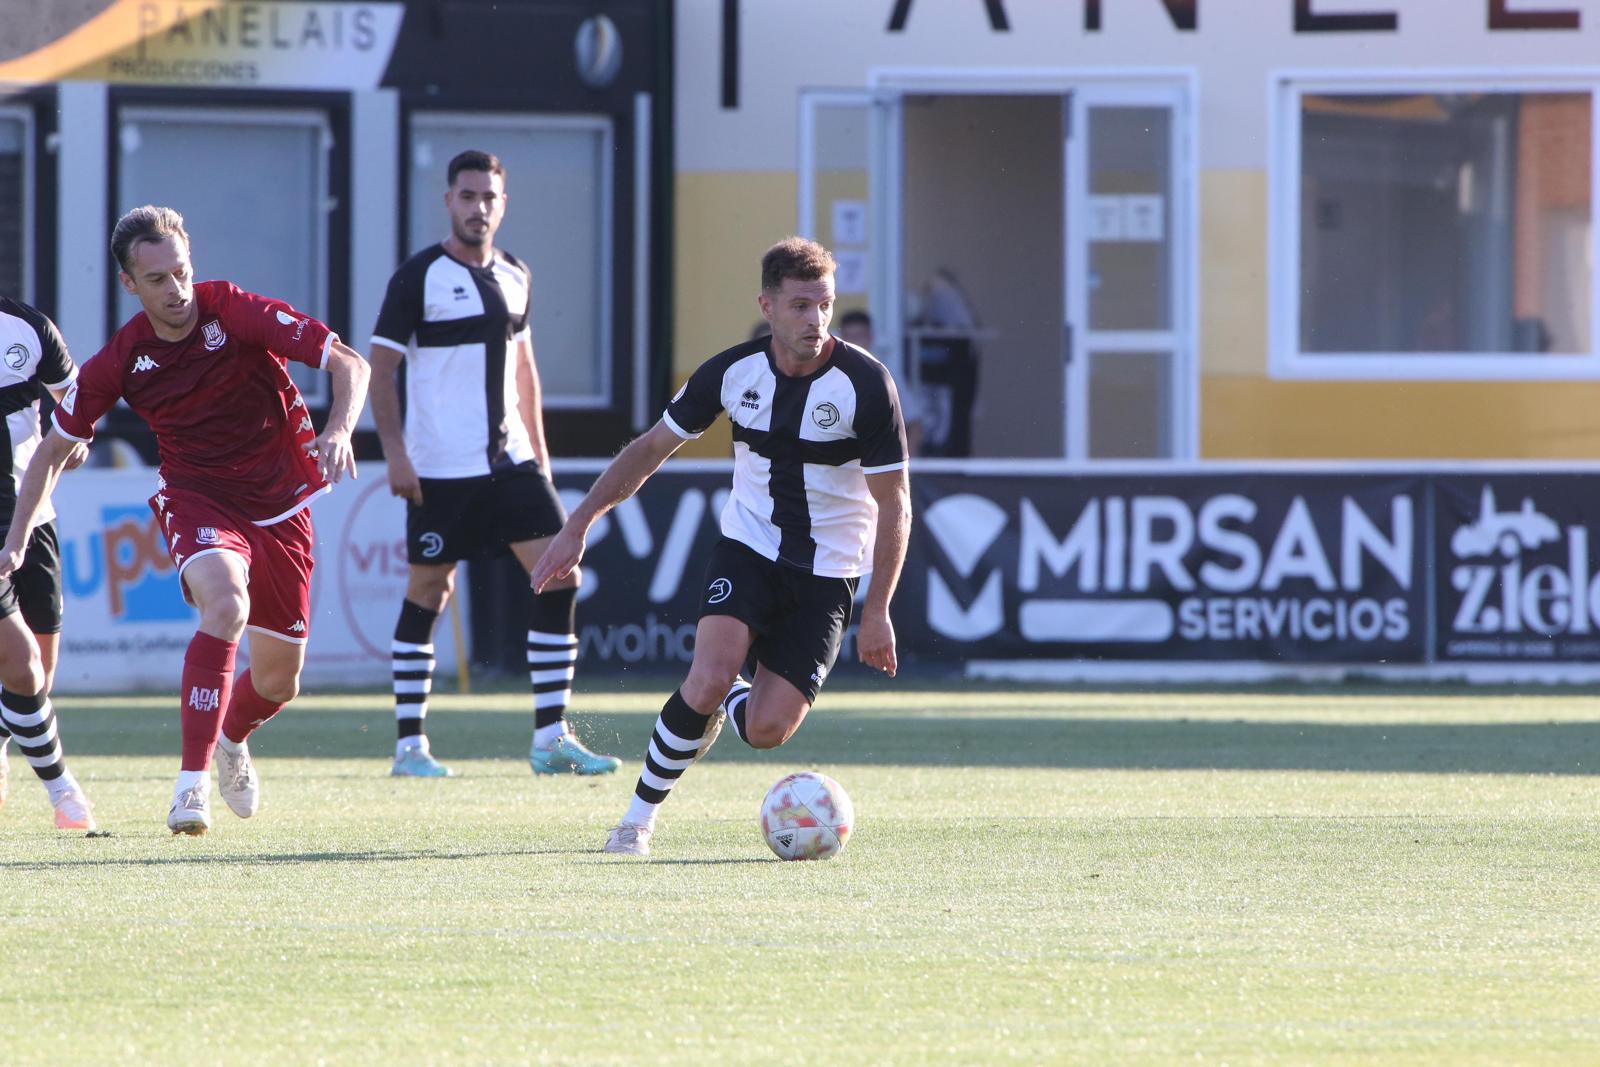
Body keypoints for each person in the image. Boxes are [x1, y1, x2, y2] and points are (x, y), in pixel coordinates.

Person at [532, 236, 912, 857]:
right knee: (703, 679)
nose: (815, 321)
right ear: (767, 305)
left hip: (829, 573)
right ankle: (636, 821)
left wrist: (878, 610)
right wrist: (578, 524)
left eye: (825, 305)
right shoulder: (732, 372)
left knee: (765, 731)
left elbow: (895, 503)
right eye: (799, 306)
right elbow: (650, 449)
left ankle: (736, 696)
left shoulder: (867, 385)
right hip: (749, 548)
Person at [0, 205, 370, 835]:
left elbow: (350, 363)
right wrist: (15, 540)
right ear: (129, 284)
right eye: (158, 280)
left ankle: (230, 736)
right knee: (225, 606)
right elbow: (52, 452)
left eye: (181, 272)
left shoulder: (236, 311)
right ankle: (189, 786)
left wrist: (338, 429)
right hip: (197, 499)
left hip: (280, 504)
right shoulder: (121, 359)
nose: (176, 291)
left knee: (281, 680)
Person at [368, 149, 618, 778]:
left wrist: (543, 455)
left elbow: (525, 370)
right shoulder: (417, 277)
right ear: (448, 201)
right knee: (431, 587)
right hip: (439, 468)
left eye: (490, 197)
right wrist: (395, 454)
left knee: (561, 574)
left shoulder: (516, 274)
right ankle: (409, 747)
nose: (479, 207)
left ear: (503, 205)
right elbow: (381, 368)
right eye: (468, 195)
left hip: (512, 463)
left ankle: (550, 738)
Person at [0, 296, 94, 829]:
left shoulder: (29, 328)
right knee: (21, 665)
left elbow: (76, 405)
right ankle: (65, 793)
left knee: (39, 673)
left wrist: (77, 438)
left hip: (34, 518)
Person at [836, 309, 923, 456]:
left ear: (871, 337)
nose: (854, 343)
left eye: (859, 336)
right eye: (849, 337)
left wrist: (906, 468)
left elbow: (914, 424)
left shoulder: (887, 375)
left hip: (880, 467)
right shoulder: (828, 376)